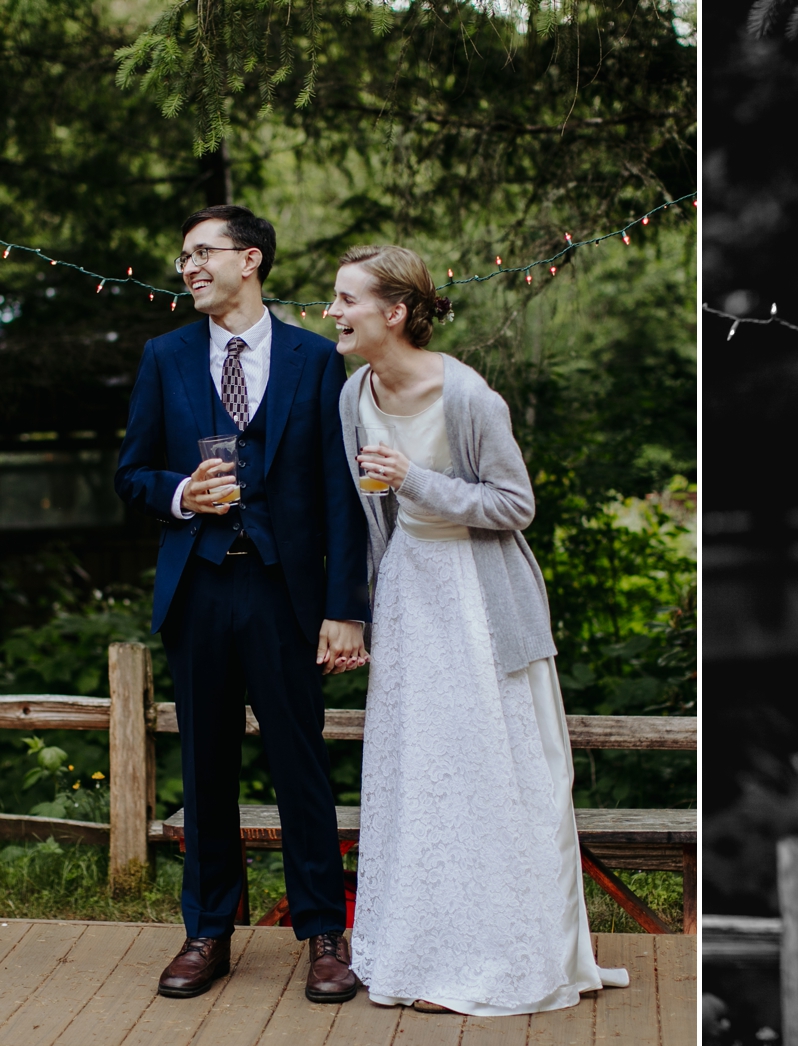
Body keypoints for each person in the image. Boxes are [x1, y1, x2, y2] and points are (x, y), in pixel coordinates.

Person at [328, 244, 628, 1015]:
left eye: (345, 299)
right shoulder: (352, 393)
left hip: (476, 599)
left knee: (486, 777)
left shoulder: (468, 397)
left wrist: (418, 481)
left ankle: (492, 958)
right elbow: (369, 520)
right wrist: (357, 610)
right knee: (417, 778)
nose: (331, 312)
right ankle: (418, 953)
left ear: (393, 313)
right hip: (408, 595)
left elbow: (514, 506)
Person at [114, 205, 368, 1002]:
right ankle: (207, 932)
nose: (187, 267)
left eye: (201, 253)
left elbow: (342, 495)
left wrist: (345, 607)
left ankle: (326, 934)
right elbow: (131, 475)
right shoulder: (165, 356)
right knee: (206, 765)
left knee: (302, 766)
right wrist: (182, 493)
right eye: (183, 256)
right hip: (199, 589)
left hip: (282, 592)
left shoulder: (315, 360)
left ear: (249, 259)